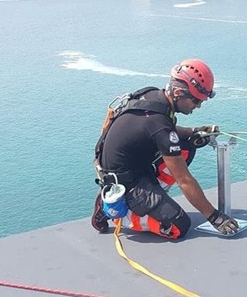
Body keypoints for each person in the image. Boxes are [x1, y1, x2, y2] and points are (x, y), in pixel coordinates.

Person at [91, 58, 239, 239]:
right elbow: (184, 179)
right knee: (179, 226)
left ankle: (153, 200)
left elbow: (163, 131)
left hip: (135, 165)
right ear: (177, 92)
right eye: (195, 101)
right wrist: (215, 217)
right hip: (126, 182)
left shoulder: (154, 97)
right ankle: (114, 212)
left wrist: (195, 132)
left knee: (187, 146)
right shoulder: (158, 123)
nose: (198, 106)